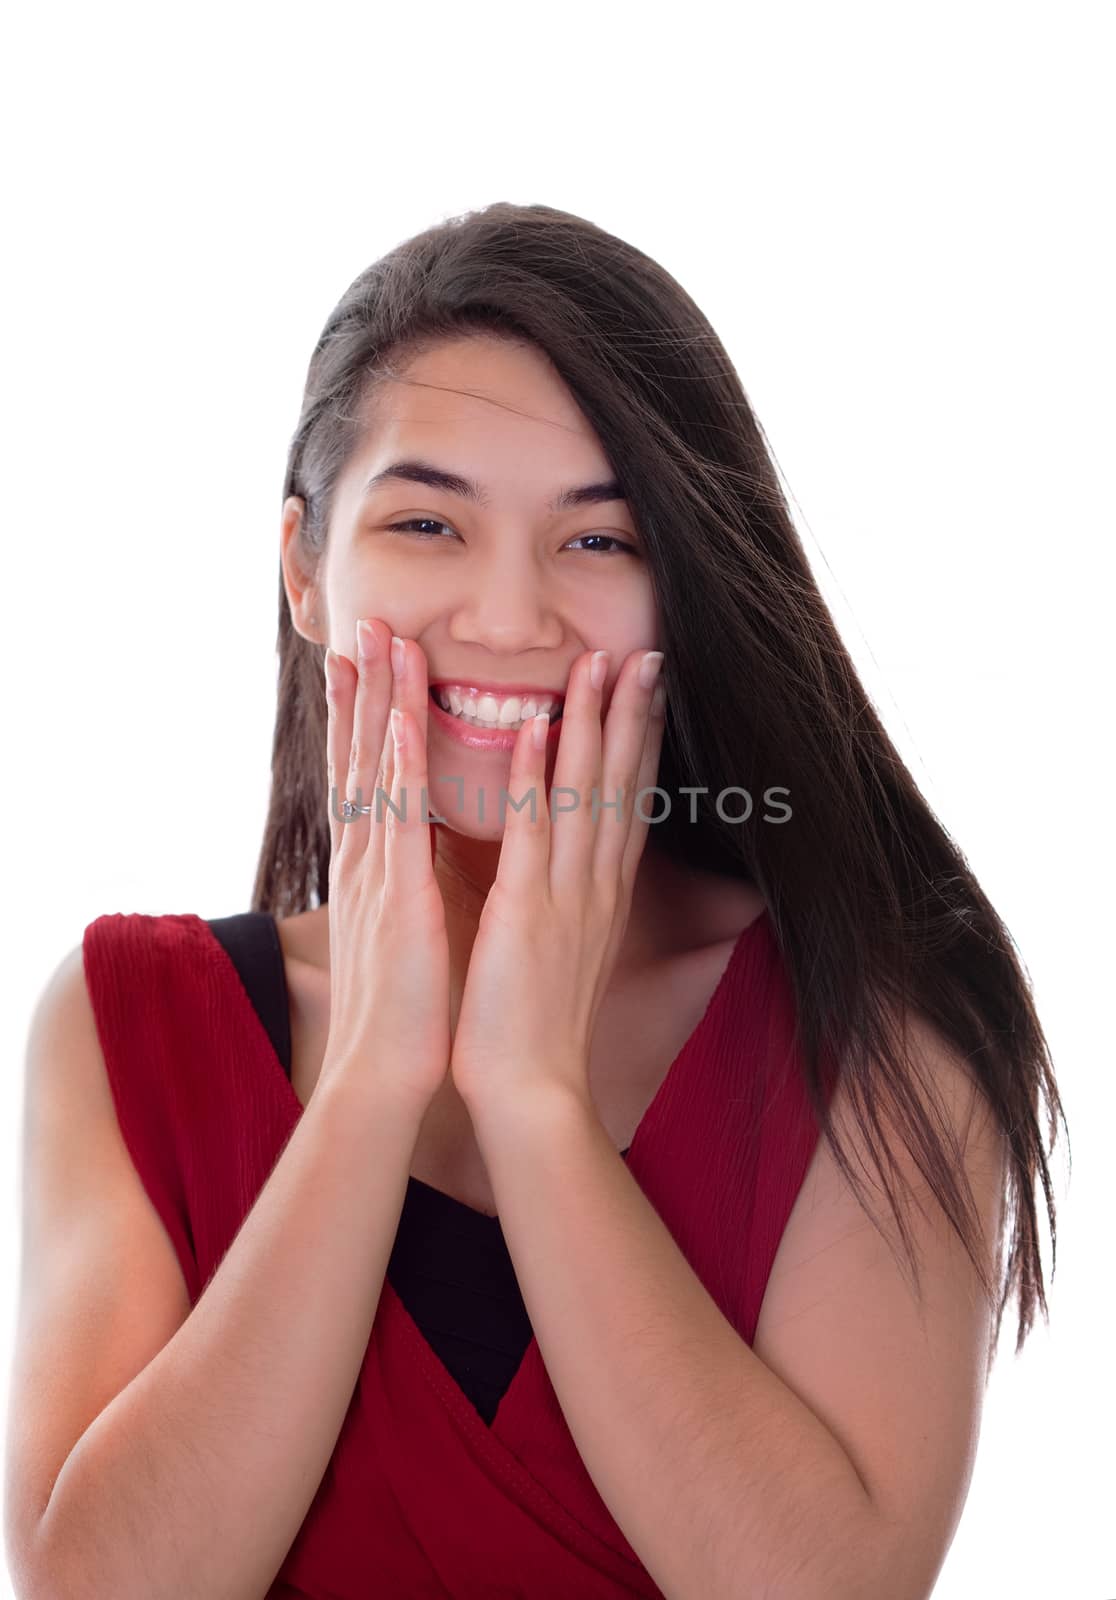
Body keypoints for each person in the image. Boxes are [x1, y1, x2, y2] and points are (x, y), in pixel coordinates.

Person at [6, 201, 1067, 1600]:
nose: (507, 619)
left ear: (683, 589)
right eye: (428, 521)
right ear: (305, 570)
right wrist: (376, 1076)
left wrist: (532, 1098)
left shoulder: (870, 1025)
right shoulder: (127, 1023)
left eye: (598, 542)